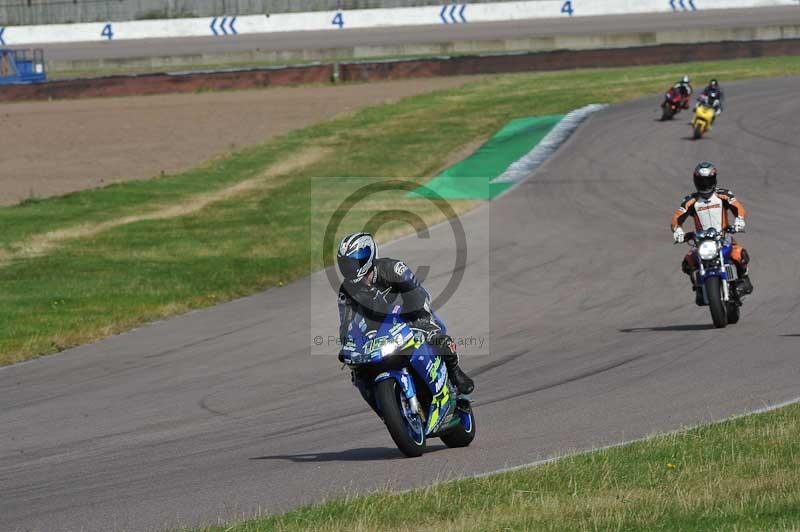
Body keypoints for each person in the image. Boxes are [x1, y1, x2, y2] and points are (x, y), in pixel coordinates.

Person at [336, 232, 475, 395]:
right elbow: (346, 323)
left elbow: (418, 295)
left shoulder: (393, 269)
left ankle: (455, 373)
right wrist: (347, 345)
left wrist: (419, 323)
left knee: (438, 340)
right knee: (358, 373)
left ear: (367, 258)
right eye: (345, 264)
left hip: (411, 316)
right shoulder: (346, 291)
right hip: (377, 331)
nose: (349, 269)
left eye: (353, 263)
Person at [671, 162, 753, 305]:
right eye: (701, 181)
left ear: (714, 180)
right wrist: (678, 231)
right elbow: (677, 218)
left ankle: (743, 279)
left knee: (738, 254)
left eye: (708, 180)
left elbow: (738, 207)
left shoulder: (724, 195)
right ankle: (698, 288)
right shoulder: (690, 200)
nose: (705, 184)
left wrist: (739, 220)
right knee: (688, 262)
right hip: (702, 242)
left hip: (723, 237)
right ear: (696, 181)